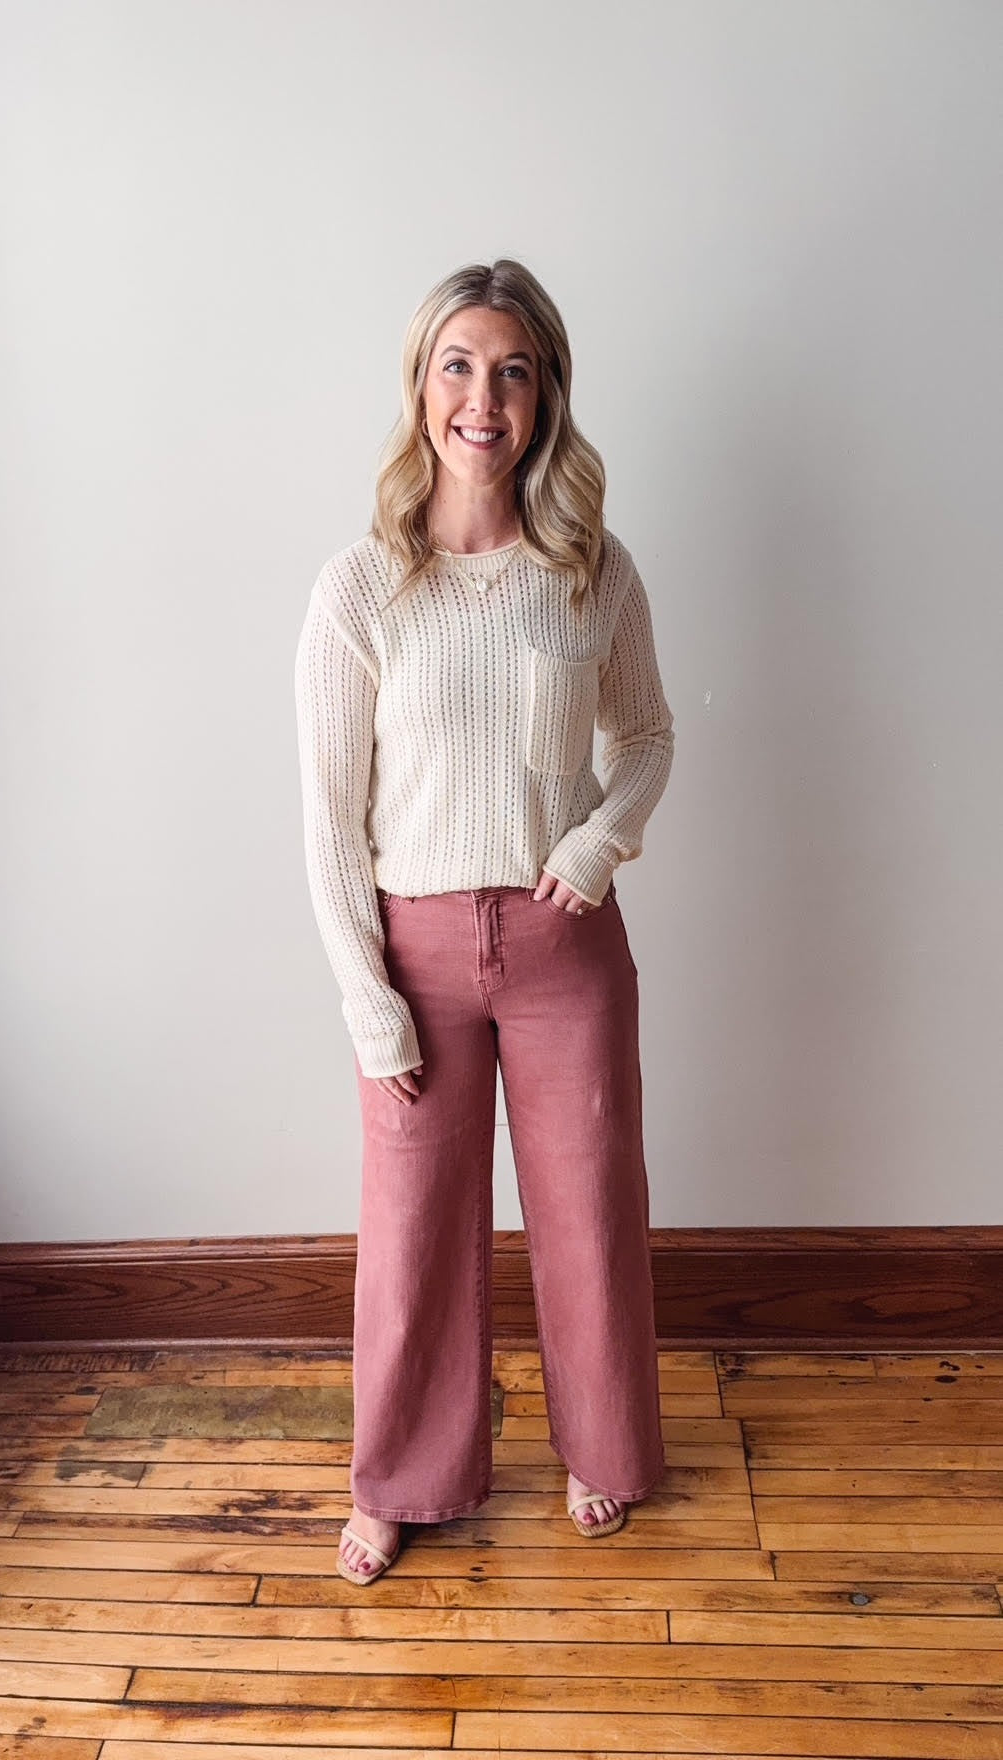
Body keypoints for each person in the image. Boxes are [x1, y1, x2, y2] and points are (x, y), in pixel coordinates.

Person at [294, 258, 675, 1585]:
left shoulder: (591, 571)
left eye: (514, 369)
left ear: (546, 395)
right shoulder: (360, 589)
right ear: (421, 386)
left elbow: (646, 737)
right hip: (419, 954)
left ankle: (602, 1447)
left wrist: (597, 837)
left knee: (588, 1204)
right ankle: (402, 1477)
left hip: (569, 948)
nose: (484, 396)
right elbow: (330, 822)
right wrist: (366, 994)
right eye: (459, 365)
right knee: (410, 1233)